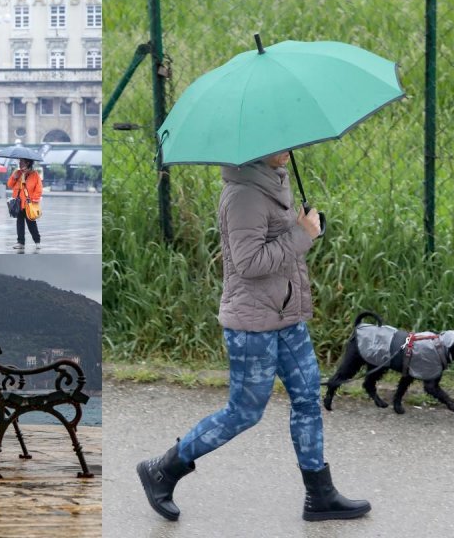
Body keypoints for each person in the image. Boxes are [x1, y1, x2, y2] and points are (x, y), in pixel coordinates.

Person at [136, 151, 370, 523]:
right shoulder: (243, 195)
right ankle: (163, 469)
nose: (289, 150)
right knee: (244, 412)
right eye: (282, 145)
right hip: (252, 326)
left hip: (287, 315)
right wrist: (300, 235)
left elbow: (280, 244)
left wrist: (303, 226)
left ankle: (320, 494)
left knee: (308, 398)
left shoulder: (275, 181)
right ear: (258, 151)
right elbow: (249, 264)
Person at [7, 158, 42, 250]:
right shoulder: (18, 173)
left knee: (31, 223)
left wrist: (34, 199)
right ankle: (20, 242)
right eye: (19, 162)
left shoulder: (34, 175)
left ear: (27, 163)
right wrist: (14, 177)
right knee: (20, 223)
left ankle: (37, 241)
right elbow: (10, 185)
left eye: (21, 162)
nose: (20, 163)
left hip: (29, 203)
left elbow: (39, 188)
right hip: (18, 202)